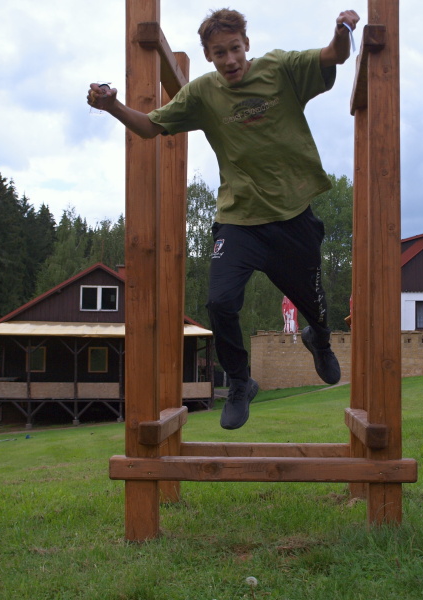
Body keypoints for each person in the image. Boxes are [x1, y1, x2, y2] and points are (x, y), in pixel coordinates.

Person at [88, 8, 360, 430]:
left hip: (293, 218)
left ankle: (318, 340)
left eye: (235, 49)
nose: (230, 60)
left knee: (316, 306)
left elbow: (334, 55)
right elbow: (149, 127)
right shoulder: (202, 94)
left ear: (246, 44)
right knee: (219, 301)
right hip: (239, 220)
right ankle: (238, 382)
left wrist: (343, 29)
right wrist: (112, 106)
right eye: (219, 53)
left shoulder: (280, 68)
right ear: (209, 55)